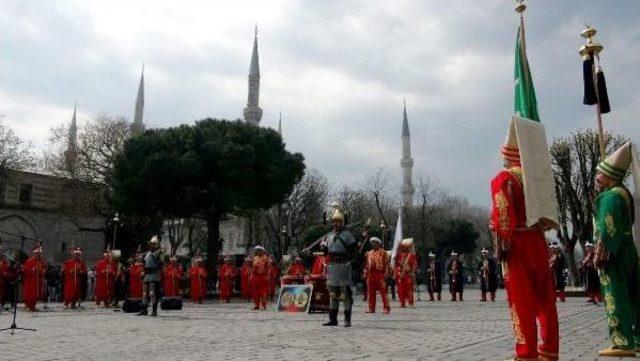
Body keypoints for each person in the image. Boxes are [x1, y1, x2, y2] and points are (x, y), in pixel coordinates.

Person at [490, 128, 559, 361]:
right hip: (538, 241)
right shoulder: (537, 179)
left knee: (521, 300)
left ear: (508, 156)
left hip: (517, 243)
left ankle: (526, 352)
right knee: (544, 298)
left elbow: (502, 215)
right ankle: (549, 350)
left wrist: (501, 236)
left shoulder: (505, 178)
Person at [592, 142, 640, 357]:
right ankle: (637, 339)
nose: (596, 178)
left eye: (599, 174)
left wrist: (601, 253)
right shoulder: (624, 193)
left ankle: (622, 341)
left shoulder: (610, 196)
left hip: (615, 253)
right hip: (629, 249)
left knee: (616, 295)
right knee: (633, 295)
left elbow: (607, 228)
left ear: (608, 175)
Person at [323, 208, 357, 327]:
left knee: (345, 294)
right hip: (332, 267)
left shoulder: (348, 236)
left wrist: (349, 262)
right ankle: (333, 319)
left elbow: (354, 251)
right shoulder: (329, 236)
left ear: (342, 222)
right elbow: (327, 252)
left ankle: (347, 320)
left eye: (337, 221)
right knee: (333, 294)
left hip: (343, 266)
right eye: (333, 221)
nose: (335, 224)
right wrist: (323, 248)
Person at [364, 237, 390, 314]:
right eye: (372, 242)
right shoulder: (369, 253)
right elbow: (366, 265)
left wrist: (386, 275)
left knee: (383, 292)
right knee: (371, 292)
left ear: (378, 243)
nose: (373, 244)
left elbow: (387, 264)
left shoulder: (383, 252)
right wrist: (365, 273)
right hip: (371, 275)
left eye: (375, 242)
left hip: (380, 274)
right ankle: (371, 308)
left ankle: (386, 308)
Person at [139, 236, 162, 316]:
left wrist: (157, 250)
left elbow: (158, 259)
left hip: (153, 275)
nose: (151, 245)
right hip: (147, 274)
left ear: (156, 245)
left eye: (152, 244)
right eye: (150, 244)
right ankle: (144, 309)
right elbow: (143, 261)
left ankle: (154, 310)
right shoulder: (148, 253)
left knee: (152, 293)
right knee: (145, 293)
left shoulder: (157, 252)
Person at [22, 245, 46, 311]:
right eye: (37, 253)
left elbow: (44, 268)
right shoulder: (29, 261)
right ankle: (28, 306)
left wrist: (43, 271)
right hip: (30, 281)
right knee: (29, 295)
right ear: (34, 253)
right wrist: (33, 270)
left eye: (39, 253)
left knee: (35, 295)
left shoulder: (41, 262)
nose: (38, 255)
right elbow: (25, 270)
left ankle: (33, 306)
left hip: (38, 281)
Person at [394, 239, 417, 308]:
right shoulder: (399, 255)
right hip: (400, 275)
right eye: (402, 247)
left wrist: (412, 272)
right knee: (400, 290)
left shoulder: (411, 255)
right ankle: (402, 303)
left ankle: (411, 302)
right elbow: (396, 264)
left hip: (408, 274)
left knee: (409, 289)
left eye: (405, 247)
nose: (403, 248)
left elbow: (414, 265)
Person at [250, 246, 269, 310]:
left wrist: (267, 276)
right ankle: (256, 305)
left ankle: (264, 305)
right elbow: (253, 268)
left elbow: (267, 268)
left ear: (262, 251)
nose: (257, 251)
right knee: (255, 291)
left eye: (259, 250)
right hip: (255, 277)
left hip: (262, 276)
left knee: (263, 291)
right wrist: (252, 276)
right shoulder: (255, 258)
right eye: (257, 250)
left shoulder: (265, 258)